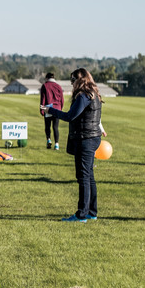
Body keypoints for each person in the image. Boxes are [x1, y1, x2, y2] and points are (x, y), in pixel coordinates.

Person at [43, 68, 106, 223]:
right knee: (89, 176)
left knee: (83, 176)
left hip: (86, 139)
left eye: (73, 80)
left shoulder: (84, 96)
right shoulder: (93, 93)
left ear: (80, 80)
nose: (71, 83)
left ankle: (81, 214)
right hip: (92, 137)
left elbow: (71, 116)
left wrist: (51, 110)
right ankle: (92, 211)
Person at [40, 72, 64, 150]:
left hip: (48, 108)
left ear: (47, 78)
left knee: (47, 126)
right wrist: (60, 108)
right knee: (55, 127)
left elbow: (43, 98)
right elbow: (62, 99)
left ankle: (49, 140)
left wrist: (41, 109)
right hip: (57, 108)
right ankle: (57, 144)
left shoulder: (45, 85)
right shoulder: (58, 86)